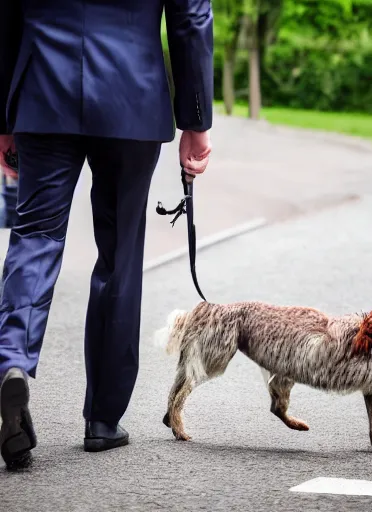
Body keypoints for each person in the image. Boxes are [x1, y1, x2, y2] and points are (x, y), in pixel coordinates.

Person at [0, 0, 213, 468]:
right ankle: (102, 419)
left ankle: (11, 357)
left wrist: (4, 115)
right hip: (130, 94)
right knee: (119, 253)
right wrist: (195, 119)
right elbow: (191, 16)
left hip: (43, 91)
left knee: (34, 236)